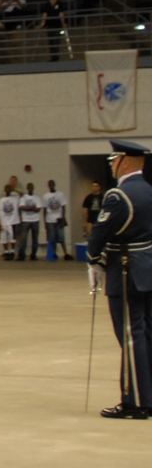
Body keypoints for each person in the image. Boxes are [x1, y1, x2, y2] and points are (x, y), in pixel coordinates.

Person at [86, 139, 152, 419]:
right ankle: (148, 396)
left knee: (130, 336)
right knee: (146, 334)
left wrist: (93, 261)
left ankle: (134, 402)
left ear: (124, 161)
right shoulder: (148, 190)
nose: (111, 165)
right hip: (146, 269)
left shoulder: (119, 196)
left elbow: (99, 234)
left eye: (113, 160)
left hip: (125, 271)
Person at [43, 179, 70, 260]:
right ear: (48, 186)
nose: (51, 186)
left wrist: (63, 218)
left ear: (54, 185)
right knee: (52, 238)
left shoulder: (60, 194)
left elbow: (63, 207)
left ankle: (65, 253)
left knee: (61, 237)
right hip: (50, 220)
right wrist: (45, 222)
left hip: (59, 219)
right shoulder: (46, 196)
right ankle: (54, 253)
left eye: (52, 185)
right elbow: (44, 210)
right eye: (49, 185)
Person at [0, 188, 20, 261]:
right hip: (3, 222)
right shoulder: (1, 200)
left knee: (12, 238)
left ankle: (12, 252)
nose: (7, 190)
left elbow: (22, 194)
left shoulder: (15, 198)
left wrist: (14, 189)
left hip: (12, 222)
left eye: (8, 189)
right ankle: (6, 252)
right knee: (3, 238)